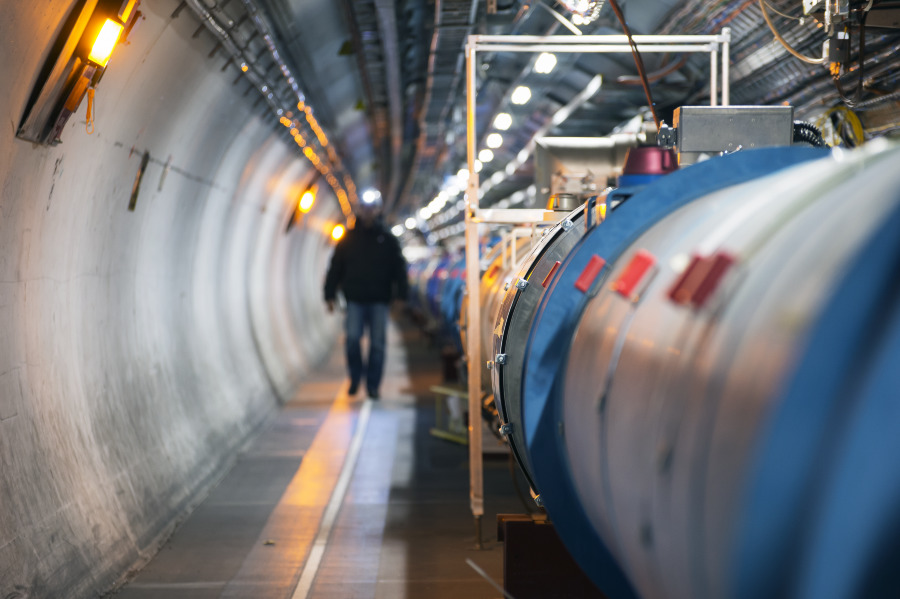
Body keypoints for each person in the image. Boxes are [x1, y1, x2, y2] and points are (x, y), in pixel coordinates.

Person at [323, 200, 408, 399]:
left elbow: (399, 268)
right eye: (365, 208)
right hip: (355, 300)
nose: (368, 212)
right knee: (352, 340)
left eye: (372, 208)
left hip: (379, 300)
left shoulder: (387, 239)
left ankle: (373, 385)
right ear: (360, 210)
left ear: (377, 210)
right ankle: (355, 377)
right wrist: (329, 294)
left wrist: (402, 295)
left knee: (377, 344)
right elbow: (335, 267)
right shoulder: (348, 239)